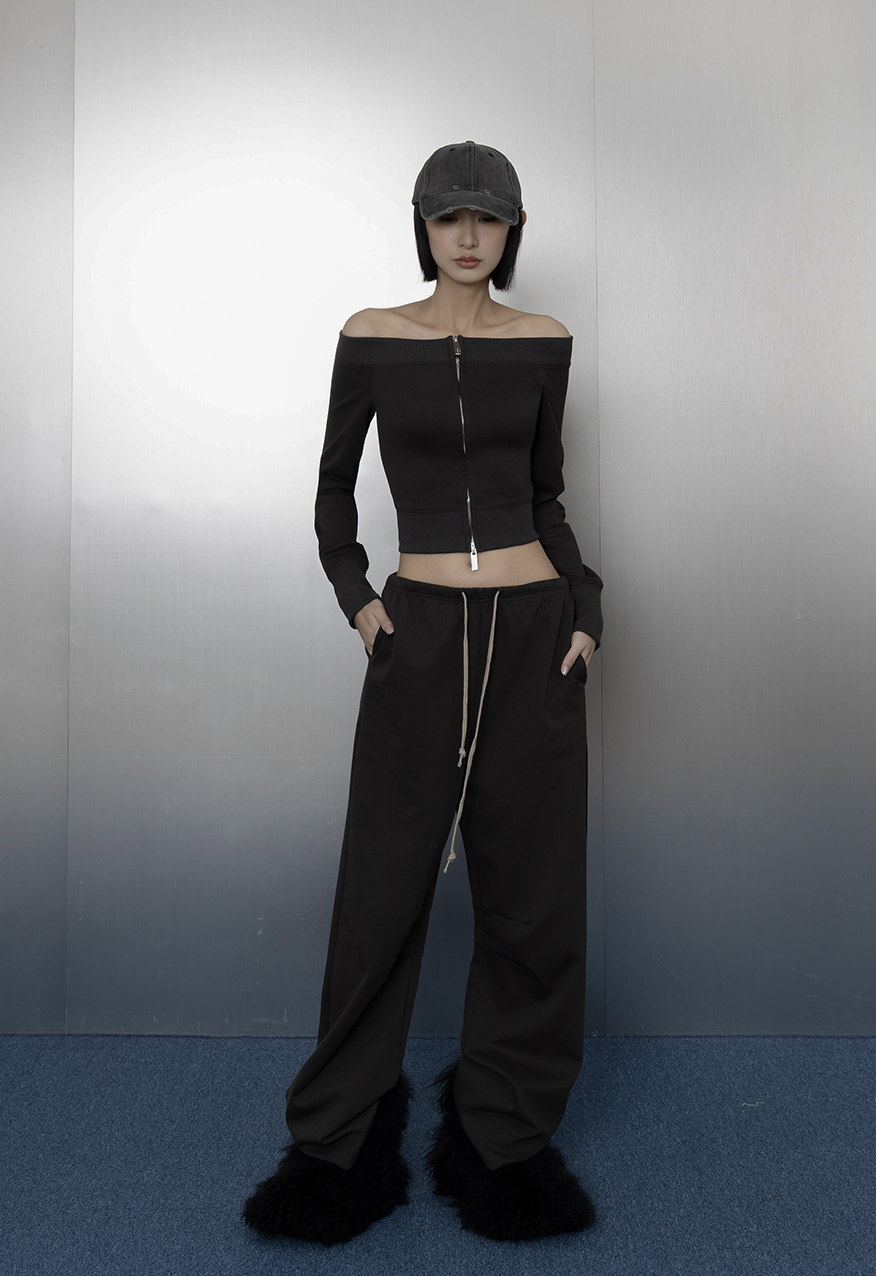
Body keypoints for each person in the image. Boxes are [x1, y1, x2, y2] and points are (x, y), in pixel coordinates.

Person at [242, 140, 603, 1245]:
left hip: (537, 631)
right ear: (423, 226)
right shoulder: (371, 336)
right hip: (422, 632)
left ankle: (506, 1139)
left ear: (512, 230)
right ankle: (338, 1144)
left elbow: (545, 495)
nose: (468, 235)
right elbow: (331, 492)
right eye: (449, 216)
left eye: (487, 218)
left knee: (533, 896)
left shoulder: (544, 343)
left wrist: (587, 604)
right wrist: (359, 598)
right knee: (381, 892)